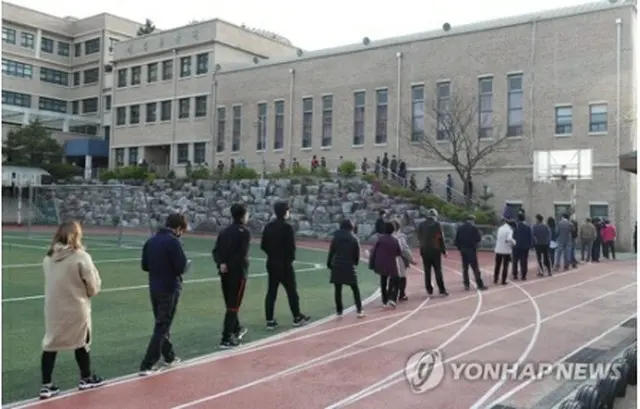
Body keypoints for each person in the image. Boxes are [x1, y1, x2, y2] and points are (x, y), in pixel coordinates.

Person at [40, 221, 104, 399]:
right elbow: (93, 286)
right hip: (76, 305)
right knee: (81, 341)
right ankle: (86, 377)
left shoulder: (48, 257)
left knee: (51, 343)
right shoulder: (81, 256)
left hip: (53, 307)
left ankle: (46, 385)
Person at [139, 213, 189, 376]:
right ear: (179, 228)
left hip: (155, 286)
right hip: (170, 287)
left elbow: (144, 265)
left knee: (162, 323)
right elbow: (181, 266)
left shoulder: (151, 240)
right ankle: (147, 363)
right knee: (162, 325)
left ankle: (169, 356)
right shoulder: (173, 242)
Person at [261, 202, 310, 330]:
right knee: (292, 292)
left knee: (271, 292)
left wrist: (272, 254)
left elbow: (263, 245)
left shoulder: (269, 226)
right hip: (285, 264)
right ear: (285, 212)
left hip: (271, 263)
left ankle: (270, 320)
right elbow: (291, 248)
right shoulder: (287, 228)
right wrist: (289, 260)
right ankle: (296, 317)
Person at [212, 203, 251, 348]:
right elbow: (241, 254)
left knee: (230, 303)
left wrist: (221, 263)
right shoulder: (244, 233)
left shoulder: (224, 232)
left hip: (224, 272)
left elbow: (216, 251)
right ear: (243, 215)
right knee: (233, 306)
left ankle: (236, 328)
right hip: (238, 273)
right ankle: (226, 338)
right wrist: (229, 264)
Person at [327, 219, 365, 318]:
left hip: (337, 265)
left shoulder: (336, 238)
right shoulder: (354, 239)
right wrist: (354, 263)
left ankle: (339, 311)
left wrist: (329, 264)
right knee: (355, 288)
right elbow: (356, 256)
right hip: (349, 266)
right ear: (351, 227)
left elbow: (331, 252)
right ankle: (359, 310)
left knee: (338, 289)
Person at [369, 222, 402, 308]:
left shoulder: (380, 239)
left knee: (383, 280)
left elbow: (374, 251)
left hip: (380, 263)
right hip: (391, 263)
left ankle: (384, 300)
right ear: (393, 230)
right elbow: (398, 253)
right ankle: (392, 298)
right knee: (396, 279)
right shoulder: (395, 240)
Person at [417, 209, 449, 296]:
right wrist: (443, 250)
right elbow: (440, 238)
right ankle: (442, 289)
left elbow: (419, 237)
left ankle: (429, 289)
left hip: (425, 250)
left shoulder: (422, 224)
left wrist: (422, 247)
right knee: (438, 271)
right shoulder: (437, 225)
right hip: (435, 250)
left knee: (427, 271)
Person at [454, 215, 487, 291]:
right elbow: (478, 239)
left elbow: (456, 241)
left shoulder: (460, 228)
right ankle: (479, 284)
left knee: (465, 268)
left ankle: (466, 284)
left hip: (463, 250)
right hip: (471, 250)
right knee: (475, 268)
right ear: (471, 220)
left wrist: (460, 248)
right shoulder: (473, 228)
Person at [391, 219, 413, 301]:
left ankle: (392, 294)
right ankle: (402, 293)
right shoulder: (400, 237)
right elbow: (404, 249)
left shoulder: (387, 236)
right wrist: (411, 259)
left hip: (390, 259)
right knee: (402, 276)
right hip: (399, 258)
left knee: (392, 277)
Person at [512, 211, 533, 280]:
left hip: (516, 247)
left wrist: (512, 245)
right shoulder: (527, 227)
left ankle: (515, 274)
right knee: (524, 261)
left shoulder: (516, 227)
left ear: (518, 219)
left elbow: (513, 236)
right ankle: (523, 275)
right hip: (524, 247)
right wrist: (530, 246)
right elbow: (530, 237)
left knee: (515, 261)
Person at [494, 218, 516, 285]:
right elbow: (509, 238)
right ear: (512, 226)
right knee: (505, 266)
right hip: (506, 251)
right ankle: (503, 280)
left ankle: (495, 279)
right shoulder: (510, 230)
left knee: (497, 265)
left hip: (498, 249)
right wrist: (514, 242)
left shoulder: (500, 228)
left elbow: (498, 237)